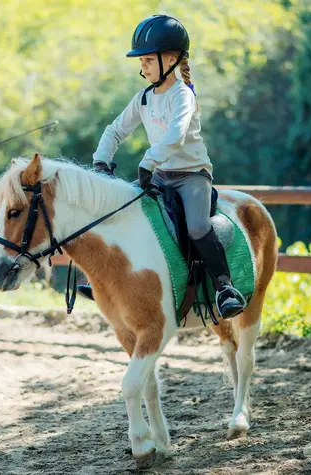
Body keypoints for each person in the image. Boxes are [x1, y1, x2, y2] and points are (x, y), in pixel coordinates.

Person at [79, 15, 245, 319]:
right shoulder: (143, 97)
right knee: (126, 215)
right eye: (140, 61)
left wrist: (147, 161)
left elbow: (175, 136)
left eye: (147, 60)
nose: (142, 66)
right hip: (160, 174)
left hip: (192, 176)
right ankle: (106, 278)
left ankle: (225, 287)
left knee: (196, 227)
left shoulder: (183, 95)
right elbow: (115, 130)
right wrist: (101, 159)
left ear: (170, 59)